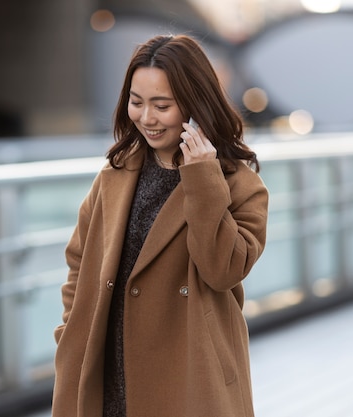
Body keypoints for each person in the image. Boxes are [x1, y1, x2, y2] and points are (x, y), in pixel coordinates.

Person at [51, 34, 268, 416]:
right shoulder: (116, 175)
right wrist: (70, 334)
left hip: (187, 379)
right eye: (137, 102)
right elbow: (79, 262)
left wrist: (202, 177)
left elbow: (223, 270)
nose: (146, 118)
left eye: (161, 105)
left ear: (195, 104)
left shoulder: (239, 185)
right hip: (106, 373)